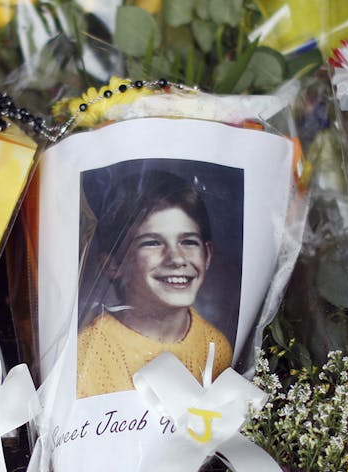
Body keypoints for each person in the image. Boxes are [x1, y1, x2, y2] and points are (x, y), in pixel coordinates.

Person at [76, 168, 233, 398]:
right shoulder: (89, 354)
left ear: (207, 255)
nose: (177, 258)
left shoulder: (216, 348)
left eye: (188, 241)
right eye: (152, 243)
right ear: (112, 265)